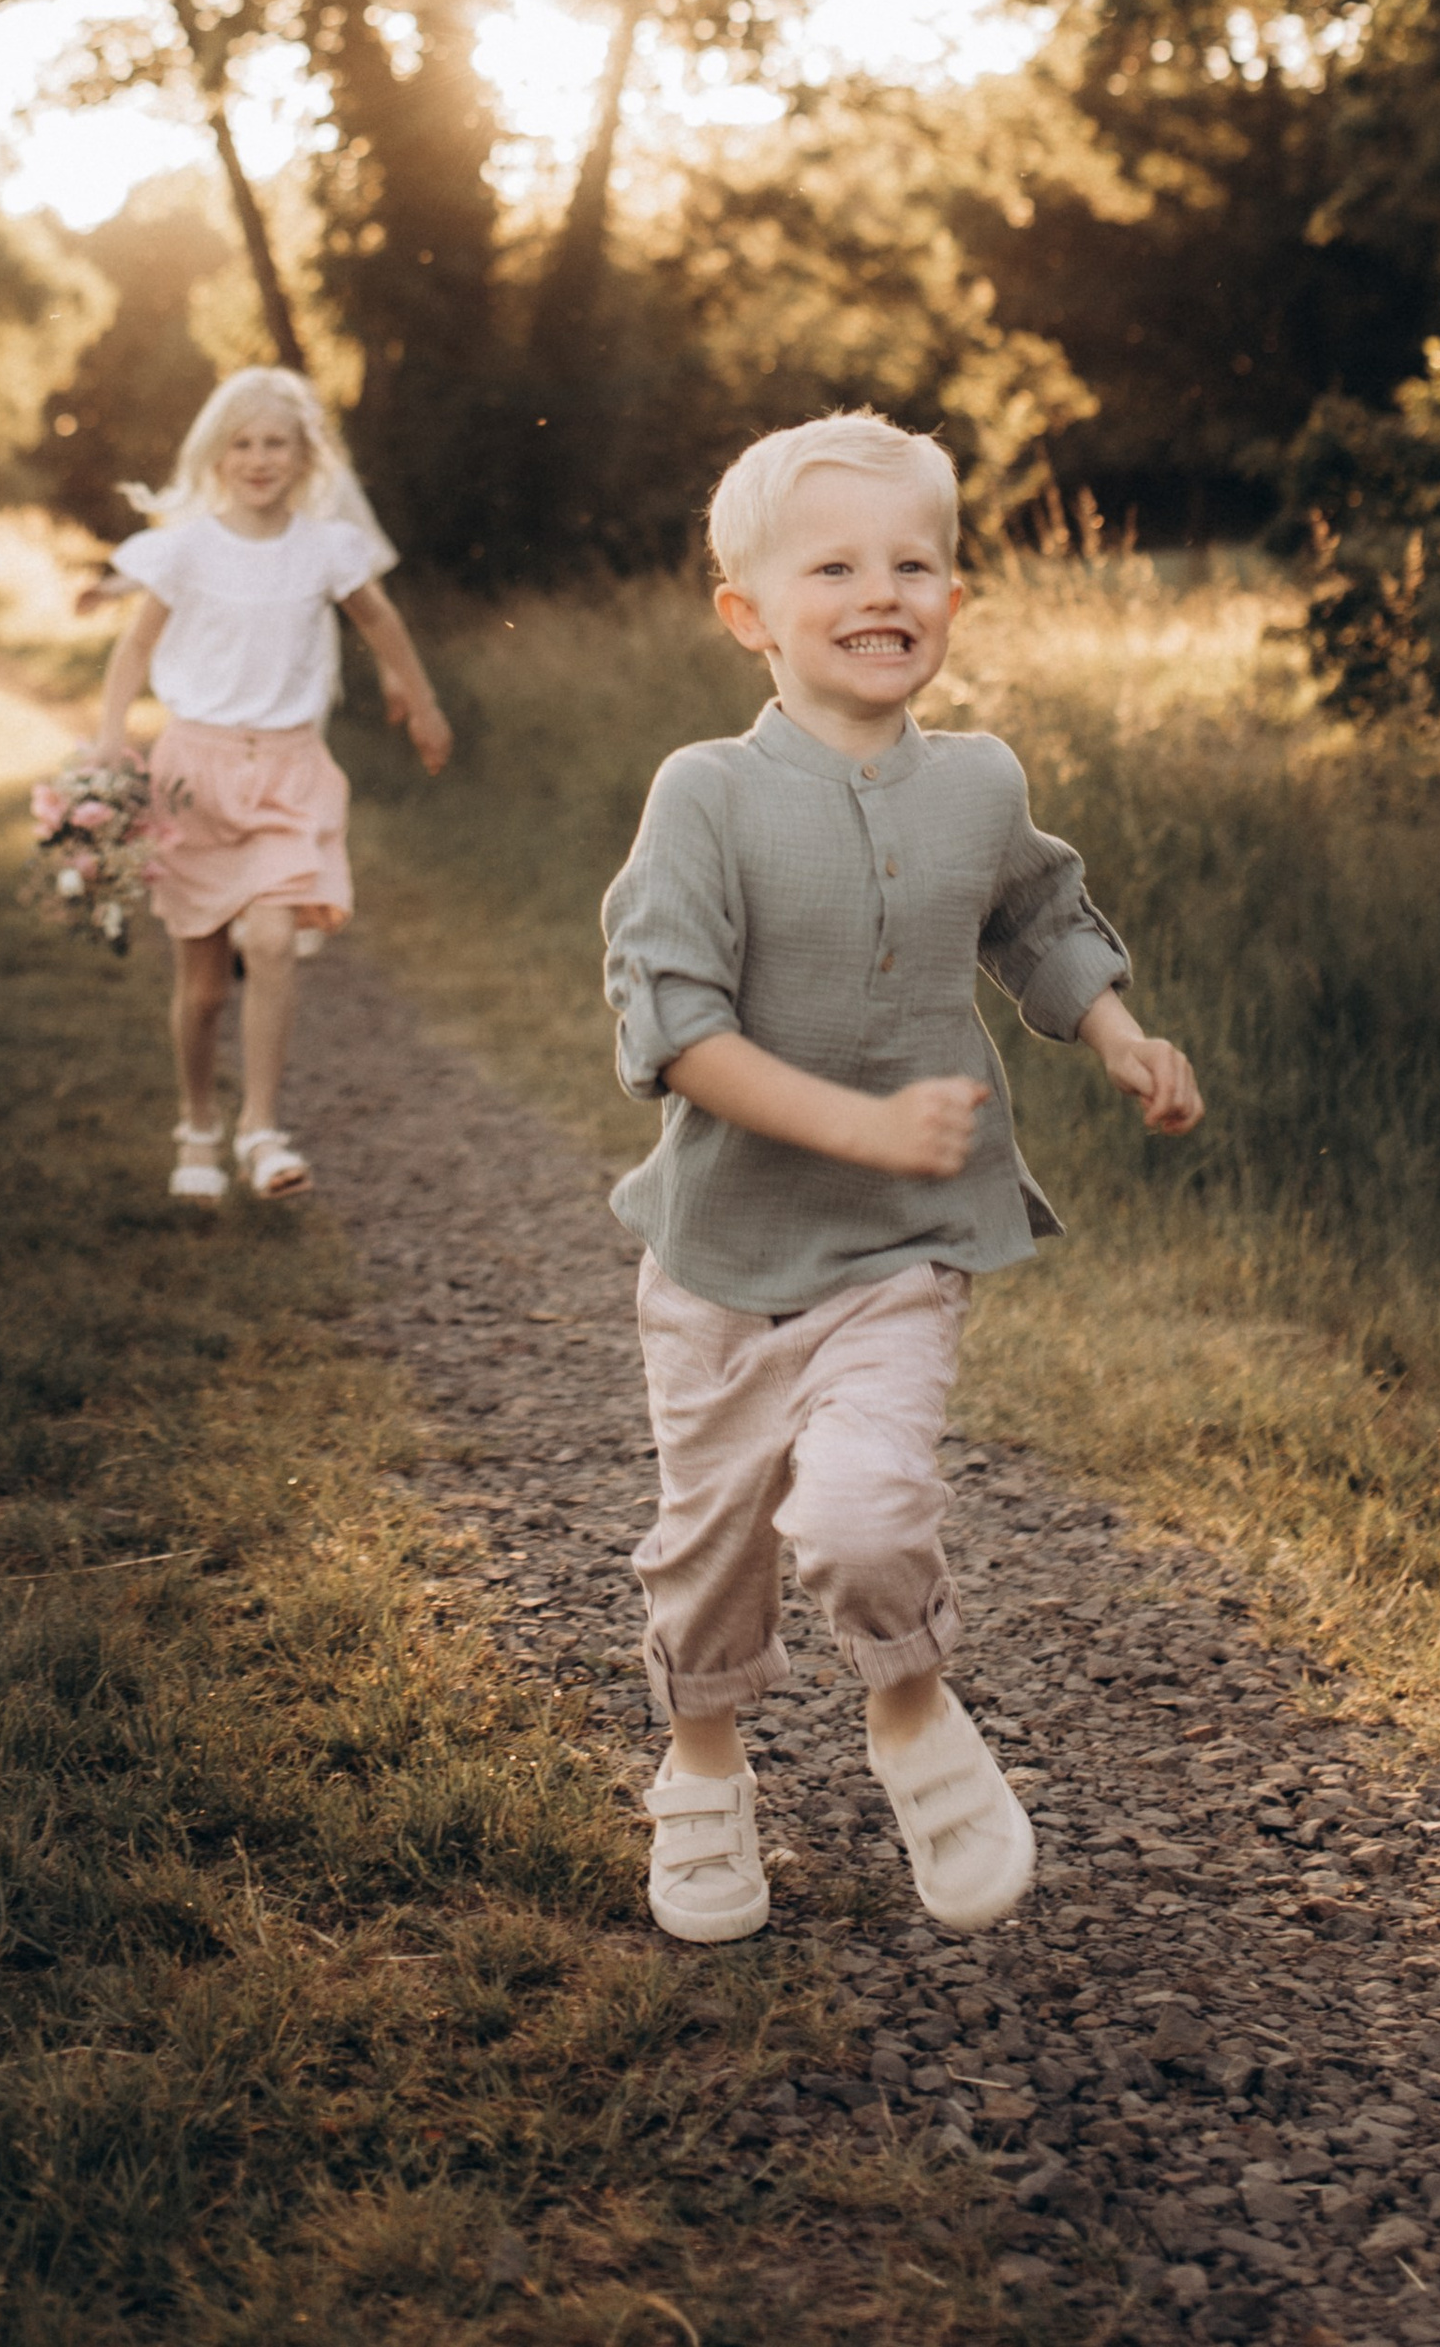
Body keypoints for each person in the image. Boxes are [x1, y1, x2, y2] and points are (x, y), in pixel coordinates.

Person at [602, 408, 1203, 1945]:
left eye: (915, 561)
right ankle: (704, 1763)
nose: (883, 590)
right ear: (750, 615)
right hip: (727, 1257)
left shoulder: (980, 781)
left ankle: (913, 1713)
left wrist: (1119, 1032)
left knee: (870, 1511)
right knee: (716, 1540)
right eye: (836, 566)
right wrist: (857, 1122)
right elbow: (673, 1028)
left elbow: (1038, 916)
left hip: (904, 1248)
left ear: (954, 597)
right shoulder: (706, 797)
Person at [91, 367, 451, 1203]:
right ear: (219, 456)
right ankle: (195, 1123)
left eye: (275, 444)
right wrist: (112, 738)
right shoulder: (183, 548)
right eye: (244, 444)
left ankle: (259, 1126)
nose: (259, 459)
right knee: (204, 986)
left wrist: (421, 698)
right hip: (194, 775)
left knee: (274, 938)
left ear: (302, 456)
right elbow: (134, 649)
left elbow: (379, 620)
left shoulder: (324, 548)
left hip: (289, 771)